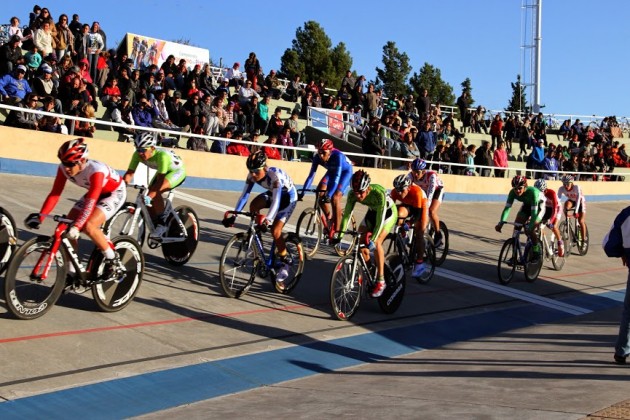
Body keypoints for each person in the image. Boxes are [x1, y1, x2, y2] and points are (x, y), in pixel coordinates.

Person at [24, 138, 127, 280]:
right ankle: (72, 273)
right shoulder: (63, 169)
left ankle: (112, 260)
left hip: (114, 193)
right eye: (64, 162)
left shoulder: (96, 171)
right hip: (94, 193)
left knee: (89, 226)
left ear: (82, 161)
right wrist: (40, 217)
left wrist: (78, 226)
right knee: (67, 227)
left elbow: (90, 203)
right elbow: (55, 194)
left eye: (70, 164)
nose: (66, 168)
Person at [222, 151, 298, 286]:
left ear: (264, 167)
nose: (253, 175)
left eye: (256, 171)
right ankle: (257, 241)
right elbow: (244, 196)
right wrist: (234, 215)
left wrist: (268, 220)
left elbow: (276, 201)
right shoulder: (252, 175)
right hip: (274, 194)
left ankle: (285, 260)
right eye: (250, 171)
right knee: (254, 206)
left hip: (288, 198)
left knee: (275, 231)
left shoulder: (274, 177)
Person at [333, 170, 397, 298]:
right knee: (360, 242)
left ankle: (381, 280)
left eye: (361, 192)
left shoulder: (378, 194)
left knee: (377, 242)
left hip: (387, 213)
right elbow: (346, 216)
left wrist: (373, 239)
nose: (358, 196)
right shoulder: (353, 194)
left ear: (367, 188)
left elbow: (380, 220)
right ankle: (370, 270)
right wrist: (339, 236)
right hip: (372, 213)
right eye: (356, 192)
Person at [122, 132, 187, 239]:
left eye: (143, 150)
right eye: (138, 150)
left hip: (177, 172)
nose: (140, 153)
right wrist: (121, 188)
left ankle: (162, 224)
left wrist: (150, 196)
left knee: (154, 192)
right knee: (148, 197)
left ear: (152, 148)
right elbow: (129, 174)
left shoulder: (162, 156)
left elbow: (160, 182)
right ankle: (157, 222)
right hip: (164, 172)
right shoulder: (137, 155)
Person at [299, 139, 353, 239]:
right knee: (319, 193)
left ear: (330, 151)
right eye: (319, 152)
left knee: (335, 198)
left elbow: (336, 178)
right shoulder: (317, 157)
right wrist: (302, 193)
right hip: (332, 171)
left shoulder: (338, 156)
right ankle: (329, 218)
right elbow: (311, 176)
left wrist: (328, 196)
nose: (321, 156)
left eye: (324, 153)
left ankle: (337, 233)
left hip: (344, 172)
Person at [495, 175, 546, 262]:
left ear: (525, 186)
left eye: (520, 188)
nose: (517, 191)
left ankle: (536, 251)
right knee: (516, 227)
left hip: (539, 206)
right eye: (515, 188)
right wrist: (501, 223)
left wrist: (531, 226)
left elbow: (534, 213)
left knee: (530, 230)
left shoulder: (533, 193)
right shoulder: (512, 193)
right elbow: (507, 209)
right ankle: (514, 256)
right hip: (527, 205)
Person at [602, 205, 630, 364]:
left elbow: (609, 246)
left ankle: (622, 351)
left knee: (629, 313)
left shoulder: (626, 214)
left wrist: (623, 253)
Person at [390, 174, 429, 279]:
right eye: (397, 190)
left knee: (419, 232)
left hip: (421, 205)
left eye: (401, 190)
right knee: (399, 213)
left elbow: (417, 214)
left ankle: (419, 263)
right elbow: (389, 210)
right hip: (408, 204)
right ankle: (403, 237)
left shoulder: (416, 192)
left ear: (408, 187)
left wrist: (409, 223)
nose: (399, 193)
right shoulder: (395, 192)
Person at [408, 158, 445, 247]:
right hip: (423, 191)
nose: (416, 174)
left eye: (418, 172)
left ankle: (438, 234)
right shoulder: (410, 176)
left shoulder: (431, 175)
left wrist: (427, 204)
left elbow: (431, 191)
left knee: (431, 211)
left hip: (437, 190)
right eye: (414, 171)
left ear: (424, 171)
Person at [533, 178, 564, 257]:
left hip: (556, 208)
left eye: (540, 192)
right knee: (539, 226)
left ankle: (560, 243)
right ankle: (543, 244)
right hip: (546, 208)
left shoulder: (551, 193)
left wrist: (551, 221)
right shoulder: (537, 193)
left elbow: (555, 209)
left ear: (545, 190)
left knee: (553, 226)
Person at [557, 174, 588, 244]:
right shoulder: (561, 189)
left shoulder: (576, 187)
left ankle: (584, 240)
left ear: (571, 183)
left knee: (581, 221)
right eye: (564, 184)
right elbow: (558, 200)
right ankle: (568, 221)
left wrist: (576, 211)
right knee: (566, 205)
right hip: (571, 200)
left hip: (580, 202)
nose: (566, 186)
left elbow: (578, 200)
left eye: (567, 184)